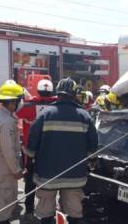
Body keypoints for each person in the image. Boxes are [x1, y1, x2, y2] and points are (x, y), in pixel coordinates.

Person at [26, 77, 98, 224]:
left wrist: (30, 160)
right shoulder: (85, 116)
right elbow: (93, 146)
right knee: (74, 213)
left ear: (58, 93)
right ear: (74, 94)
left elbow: (32, 142)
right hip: (75, 176)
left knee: (45, 213)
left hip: (47, 175)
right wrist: (91, 162)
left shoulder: (45, 114)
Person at [15, 79, 57, 219]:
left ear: (38, 91)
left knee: (30, 182)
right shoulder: (58, 105)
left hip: (32, 153)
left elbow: (15, 114)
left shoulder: (29, 105)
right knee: (50, 182)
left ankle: (28, 210)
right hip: (51, 153)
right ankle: (49, 212)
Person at [0, 80, 25, 224]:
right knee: (6, 202)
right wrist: (16, 169)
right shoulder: (7, 121)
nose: (18, 104)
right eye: (17, 101)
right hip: (6, 168)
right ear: (11, 102)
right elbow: (8, 149)